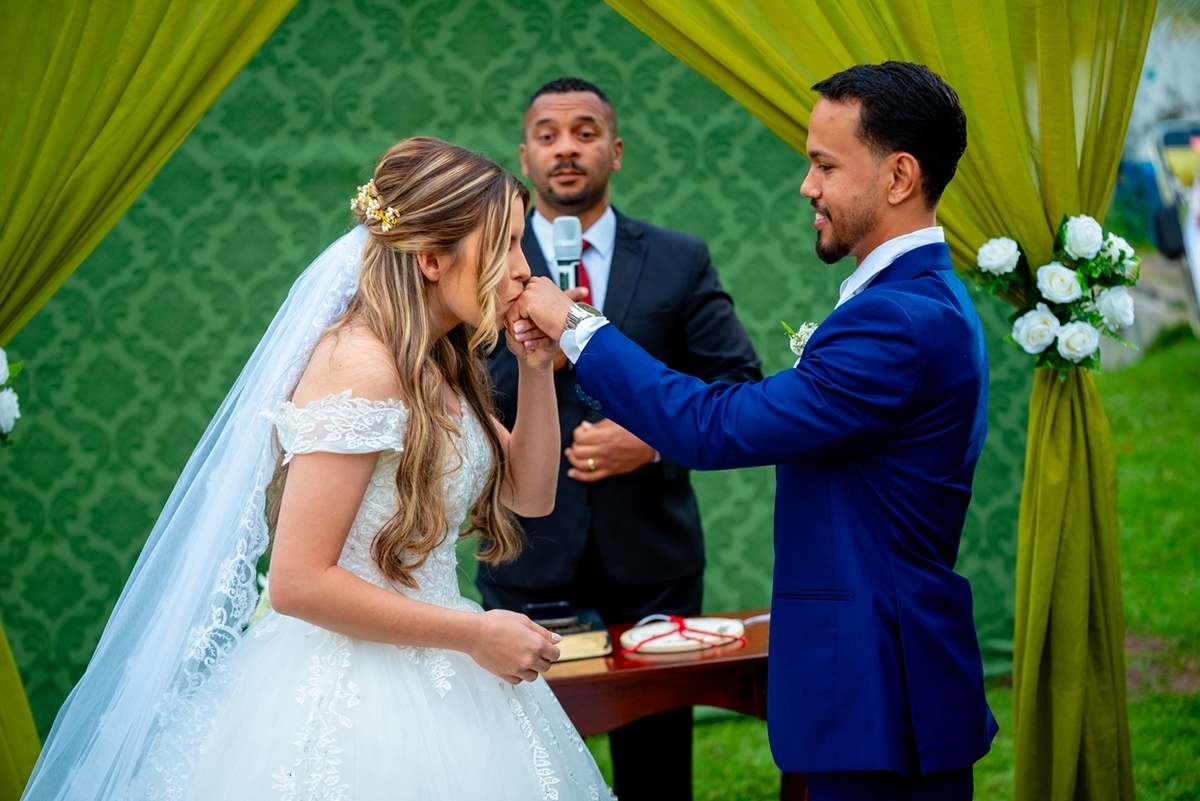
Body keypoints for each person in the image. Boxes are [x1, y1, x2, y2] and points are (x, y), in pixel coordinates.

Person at [22, 138, 615, 801]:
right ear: (429, 258)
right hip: (350, 688)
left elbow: (529, 495)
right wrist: (475, 631)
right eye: (504, 244)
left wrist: (536, 372)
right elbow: (299, 581)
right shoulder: (360, 367)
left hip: (448, 664)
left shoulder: (439, 363)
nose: (521, 270)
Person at [511, 63, 998, 801]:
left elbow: (716, 427)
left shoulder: (897, 321)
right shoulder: (910, 301)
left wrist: (574, 326)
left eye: (825, 165)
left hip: (875, 679)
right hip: (875, 671)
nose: (808, 186)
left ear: (899, 176)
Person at [481, 77, 762, 800]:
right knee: (522, 757)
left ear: (616, 150)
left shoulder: (678, 258)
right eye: (547, 135)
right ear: (525, 154)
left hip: (653, 552)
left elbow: (737, 380)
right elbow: (457, 386)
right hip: (525, 551)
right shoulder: (484, 268)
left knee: (657, 761)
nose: (566, 148)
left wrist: (654, 441)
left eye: (584, 131)